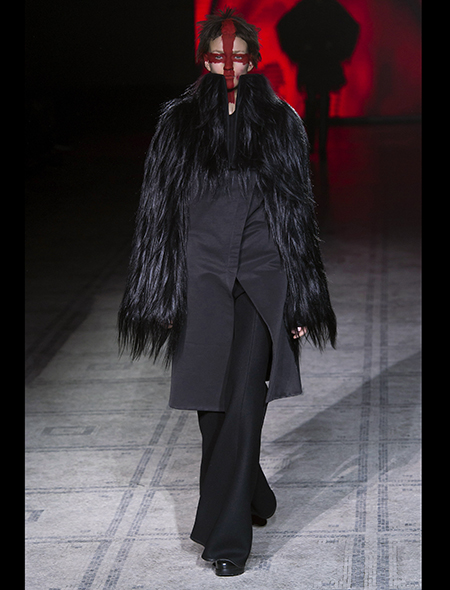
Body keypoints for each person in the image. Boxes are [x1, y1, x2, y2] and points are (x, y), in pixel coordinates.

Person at [118, 7, 336, 577]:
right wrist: (161, 289)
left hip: (263, 276)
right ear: (205, 60)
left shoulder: (281, 121)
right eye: (219, 56)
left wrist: (302, 293)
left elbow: (297, 213)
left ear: (254, 61)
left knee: (242, 398)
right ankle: (255, 493)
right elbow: (158, 211)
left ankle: (227, 538)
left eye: (239, 57)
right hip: (201, 276)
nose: (230, 66)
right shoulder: (179, 122)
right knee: (213, 408)